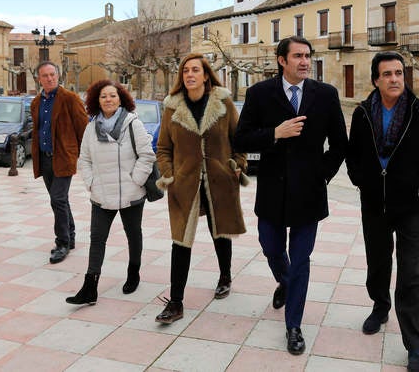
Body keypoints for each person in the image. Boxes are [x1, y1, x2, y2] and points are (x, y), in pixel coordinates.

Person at [234, 36, 347, 356]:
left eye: (308, 56)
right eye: (297, 56)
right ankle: (284, 282)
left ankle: (293, 325)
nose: (305, 62)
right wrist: (275, 133)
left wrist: (322, 175)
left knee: (301, 260)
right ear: (281, 60)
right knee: (270, 247)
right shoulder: (259, 94)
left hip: (309, 194)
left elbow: (340, 143)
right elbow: (240, 138)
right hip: (271, 189)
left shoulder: (325, 95)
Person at [346, 51, 419, 372]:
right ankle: (380, 308)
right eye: (388, 74)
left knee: (410, 274)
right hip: (374, 205)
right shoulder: (363, 113)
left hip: (411, 206)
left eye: (399, 73)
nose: (395, 79)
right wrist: (361, 180)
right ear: (376, 80)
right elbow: (353, 154)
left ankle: (414, 345)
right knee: (377, 266)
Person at [154, 53, 248, 324]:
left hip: (220, 179)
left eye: (196, 70)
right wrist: (170, 174)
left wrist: (237, 164)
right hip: (184, 183)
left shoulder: (223, 101)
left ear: (206, 75)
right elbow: (163, 148)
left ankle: (225, 275)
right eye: (185, 71)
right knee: (181, 241)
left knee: (220, 232)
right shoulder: (172, 107)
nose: (190, 75)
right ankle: (175, 302)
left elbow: (238, 137)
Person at [66, 80, 156, 305]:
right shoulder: (90, 127)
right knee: (97, 238)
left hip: (131, 193)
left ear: (121, 99)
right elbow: (84, 158)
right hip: (101, 194)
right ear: (97, 101)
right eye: (104, 96)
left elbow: (147, 155)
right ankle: (90, 287)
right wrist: (91, 182)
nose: (108, 99)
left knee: (133, 234)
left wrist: (135, 180)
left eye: (113, 96)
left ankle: (133, 272)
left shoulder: (132, 123)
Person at [31, 61, 89, 265]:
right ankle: (71, 236)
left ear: (58, 75)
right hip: (44, 159)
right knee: (60, 200)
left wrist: (85, 156)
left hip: (64, 157)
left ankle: (62, 243)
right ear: (39, 79)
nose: (49, 78)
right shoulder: (36, 102)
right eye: (45, 75)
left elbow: (84, 128)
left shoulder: (70, 99)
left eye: (52, 74)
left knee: (57, 199)